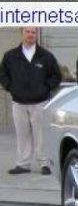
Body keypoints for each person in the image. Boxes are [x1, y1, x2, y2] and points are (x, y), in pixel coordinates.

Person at [0, 27, 61, 175]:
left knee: (41, 134)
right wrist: (11, 87)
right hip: (18, 102)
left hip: (40, 102)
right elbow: (3, 75)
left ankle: (45, 163)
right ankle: (23, 164)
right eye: (27, 32)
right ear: (21, 34)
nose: (30, 35)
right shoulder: (10, 56)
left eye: (33, 32)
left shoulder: (46, 56)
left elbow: (55, 76)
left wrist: (46, 88)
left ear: (36, 35)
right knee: (22, 134)